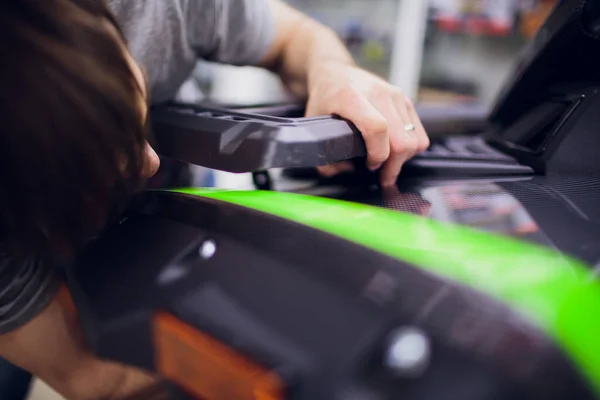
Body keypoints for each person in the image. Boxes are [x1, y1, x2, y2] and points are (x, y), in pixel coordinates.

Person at [0, 0, 430, 399]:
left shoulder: (159, 8)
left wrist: (333, 69)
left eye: (131, 121)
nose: (148, 164)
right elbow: (95, 374)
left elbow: (293, 38)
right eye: (90, 163)